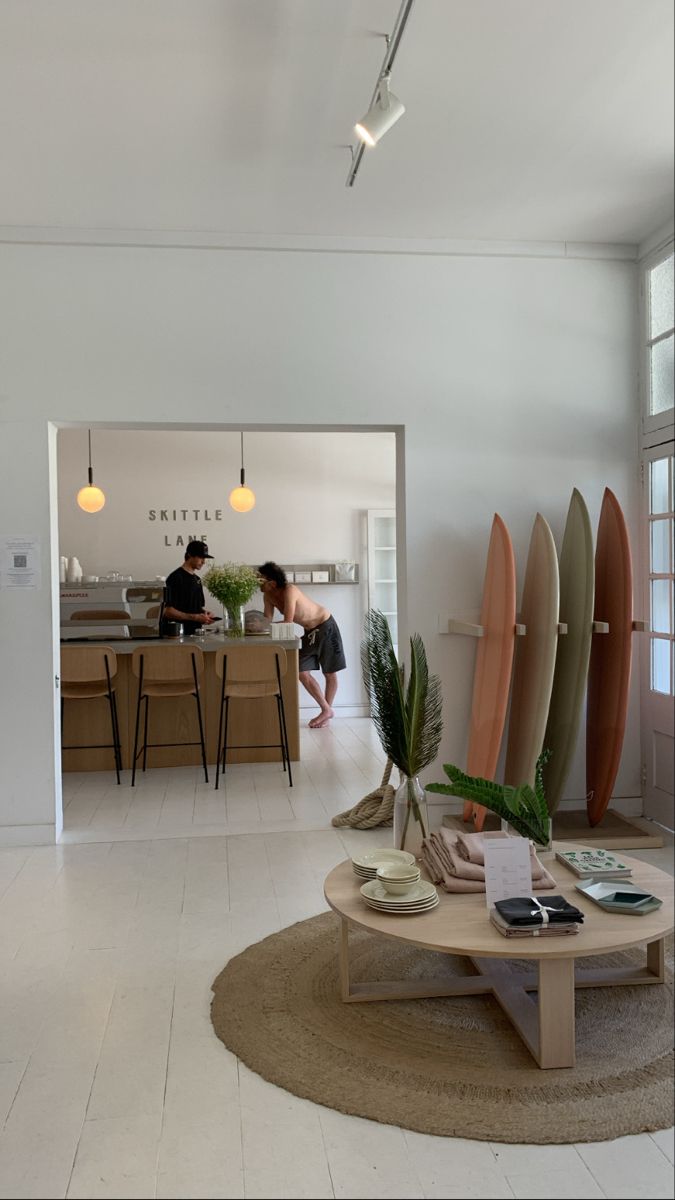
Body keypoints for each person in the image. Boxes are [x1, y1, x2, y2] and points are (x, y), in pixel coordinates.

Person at [259, 561, 346, 727]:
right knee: (301, 672)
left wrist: (266, 626)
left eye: (260, 579)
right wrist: (256, 626)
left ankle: (326, 712)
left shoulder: (290, 590)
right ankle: (326, 710)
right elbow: (266, 622)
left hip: (325, 625)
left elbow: (288, 622)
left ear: (272, 583)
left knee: (330, 672)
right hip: (309, 632)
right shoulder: (267, 596)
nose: (257, 583)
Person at [160, 541, 218, 635]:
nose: (203, 562)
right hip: (177, 635)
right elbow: (167, 611)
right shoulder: (175, 578)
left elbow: (195, 608)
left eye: (204, 558)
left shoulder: (197, 580)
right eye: (200, 557)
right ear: (190, 555)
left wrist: (205, 614)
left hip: (196, 634)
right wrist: (195, 617)